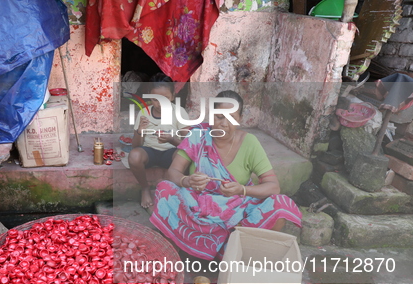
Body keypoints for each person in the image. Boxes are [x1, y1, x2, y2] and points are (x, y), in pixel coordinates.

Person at [150, 90, 302, 262]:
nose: (223, 123)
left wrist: (243, 190)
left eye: (231, 118)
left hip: (235, 210)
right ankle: (203, 247)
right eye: (219, 117)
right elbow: (173, 172)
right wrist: (187, 180)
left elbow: (273, 186)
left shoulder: (249, 142)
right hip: (198, 204)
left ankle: (226, 248)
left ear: (239, 119)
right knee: (164, 189)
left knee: (281, 207)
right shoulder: (198, 135)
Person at [129, 73, 190, 208]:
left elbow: (188, 146)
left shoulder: (179, 112)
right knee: (134, 156)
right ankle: (145, 188)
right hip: (149, 152)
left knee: (185, 156)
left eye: (165, 98)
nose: (160, 104)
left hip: (171, 153)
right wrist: (140, 130)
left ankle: (168, 187)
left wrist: (172, 139)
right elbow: (135, 146)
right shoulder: (144, 113)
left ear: (173, 96)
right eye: (156, 99)